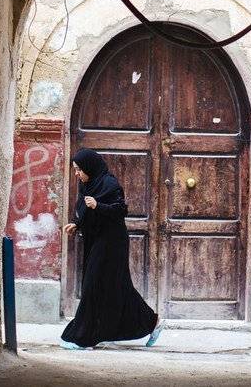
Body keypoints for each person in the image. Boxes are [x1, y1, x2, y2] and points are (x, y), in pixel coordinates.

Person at [60, 148, 163, 350]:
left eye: (79, 170)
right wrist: (76, 224)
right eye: (75, 170)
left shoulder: (110, 184)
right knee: (117, 287)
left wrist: (99, 206)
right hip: (96, 240)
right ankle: (153, 322)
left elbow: (120, 210)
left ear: (90, 167)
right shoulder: (87, 185)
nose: (77, 174)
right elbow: (83, 209)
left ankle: (83, 338)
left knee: (93, 285)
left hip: (112, 243)